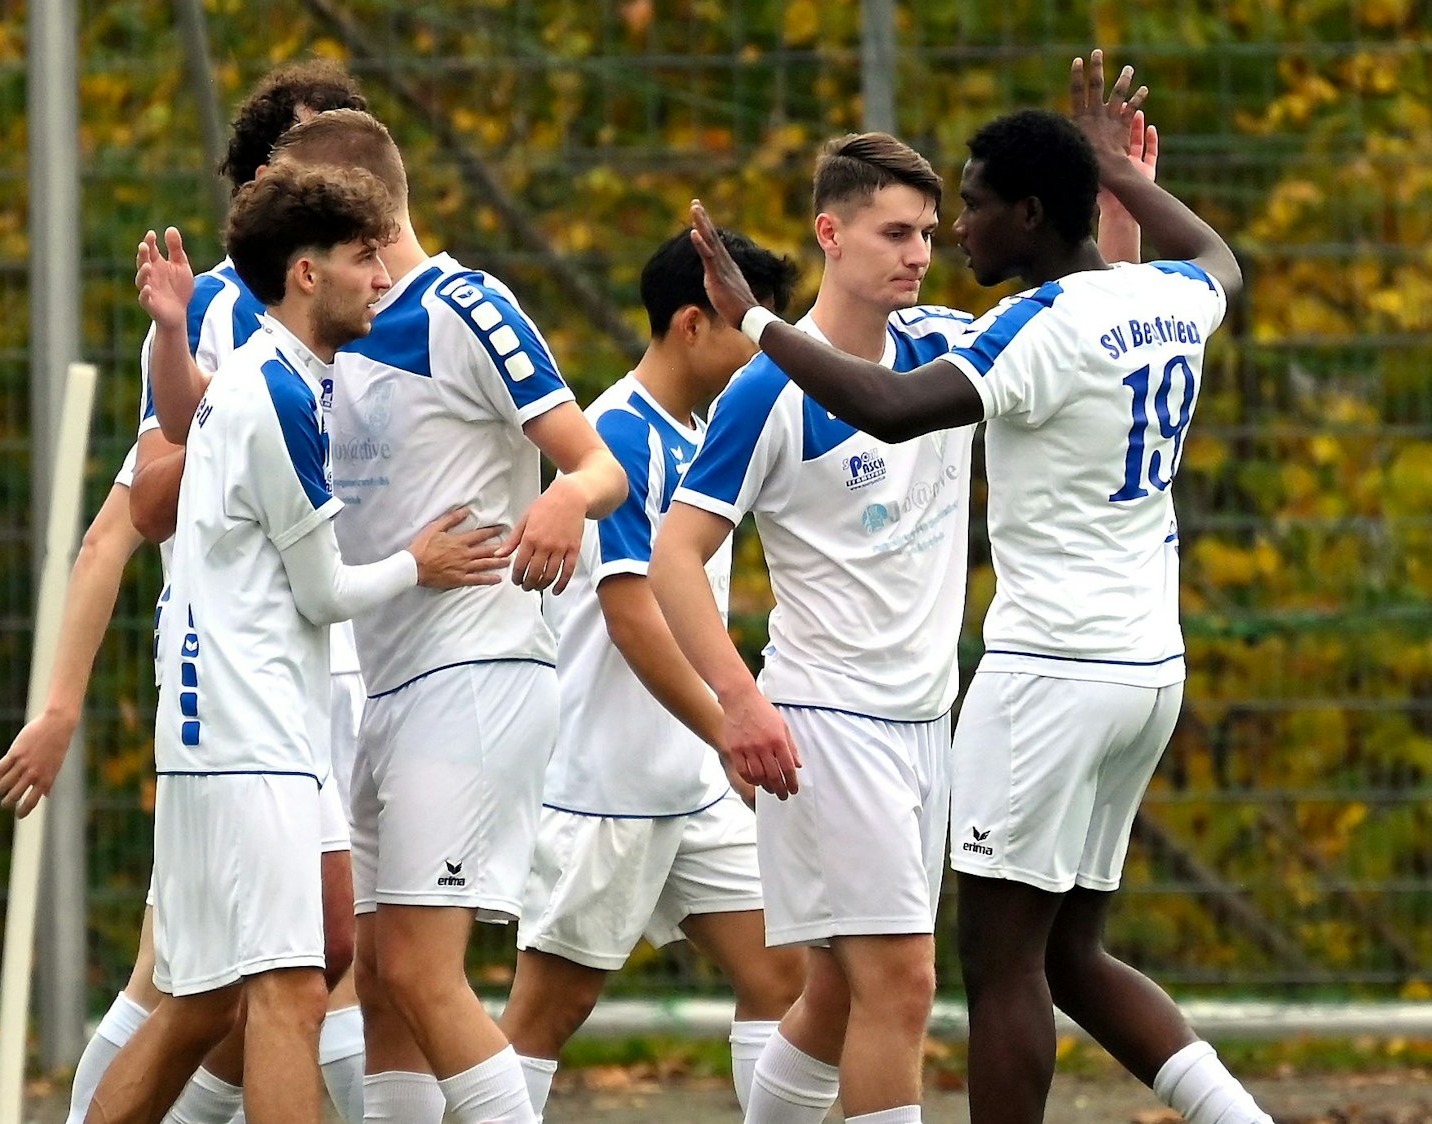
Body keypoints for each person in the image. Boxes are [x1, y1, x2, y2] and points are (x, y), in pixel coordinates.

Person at [685, 51, 1269, 1124]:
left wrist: (755, 321)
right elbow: (1215, 260)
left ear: (1031, 213)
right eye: (908, 227)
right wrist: (1120, 182)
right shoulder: (1172, 296)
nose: (948, 237)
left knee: (993, 969)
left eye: (966, 209)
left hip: (1043, 677)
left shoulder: (1008, 335)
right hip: (1135, 670)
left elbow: (892, 407)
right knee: (1004, 966)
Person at [215, 108, 629, 1124]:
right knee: (378, 974)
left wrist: (565, 500)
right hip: (383, 679)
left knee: (415, 965)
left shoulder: (465, 307)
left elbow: (597, 464)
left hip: (476, 671)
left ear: (358, 211)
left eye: (301, 199)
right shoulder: (318, 326)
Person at [0, 59, 376, 1124]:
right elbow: (139, 510)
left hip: (325, 669)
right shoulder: (222, 309)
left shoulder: (380, 291)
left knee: (302, 958)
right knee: (230, 972)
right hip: (242, 682)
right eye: (319, 150)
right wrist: (59, 708)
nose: (347, 167)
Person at [89, 162, 505, 1124]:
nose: (383, 277)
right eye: (364, 258)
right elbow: (324, 592)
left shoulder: (267, 378)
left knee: (199, 1005)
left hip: (216, 736)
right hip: (249, 742)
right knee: (288, 997)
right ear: (308, 274)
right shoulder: (275, 392)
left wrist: (167, 332)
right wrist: (419, 562)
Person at [651, 131, 986, 1124]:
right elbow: (674, 557)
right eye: (894, 232)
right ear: (829, 234)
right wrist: (738, 700)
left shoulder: (945, 348)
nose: (918, 253)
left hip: (924, 719)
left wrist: (1119, 215)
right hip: (829, 724)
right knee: (903, 985)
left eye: (926, 233)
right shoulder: (767, 387)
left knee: (840, 989)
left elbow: (1080, 330)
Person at [498, 228, 805, 1120]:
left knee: (784, 974)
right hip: (605, 785)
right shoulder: (621, 434)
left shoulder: (701, 432)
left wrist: (716, 743)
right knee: (548, 1013)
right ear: (690, 324)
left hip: (690, 784)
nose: (762, 351)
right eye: (746, 328)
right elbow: (631, 615)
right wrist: (730, 730)